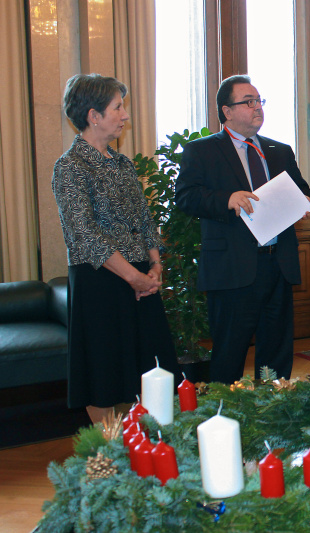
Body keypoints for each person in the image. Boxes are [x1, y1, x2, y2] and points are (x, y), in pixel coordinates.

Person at [52, 74, 178, 424]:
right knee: (102, 370)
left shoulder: (122, 163)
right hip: (100, 281)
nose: (125, 115)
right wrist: (133, 277)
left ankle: (155, 442)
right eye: (117, 107)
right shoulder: (70, 167)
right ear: (93, 115)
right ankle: (110, 451)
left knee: (152, 364)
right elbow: (85, 235)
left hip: (139, 276)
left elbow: (144, 217)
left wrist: (154, 265)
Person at [175, 75, 310, 384]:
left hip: (277, 262)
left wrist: (303, 200)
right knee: (230, 352)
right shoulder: (203, 151)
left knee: (277, 351)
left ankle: (275, 414)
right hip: (232, 268)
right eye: (248, 102)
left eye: (259, 101)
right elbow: (185, 197)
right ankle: (226, 420)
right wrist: (227, 199)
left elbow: (301, 189)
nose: (257, 108)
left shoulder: (280, 150)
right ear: (227, 111)